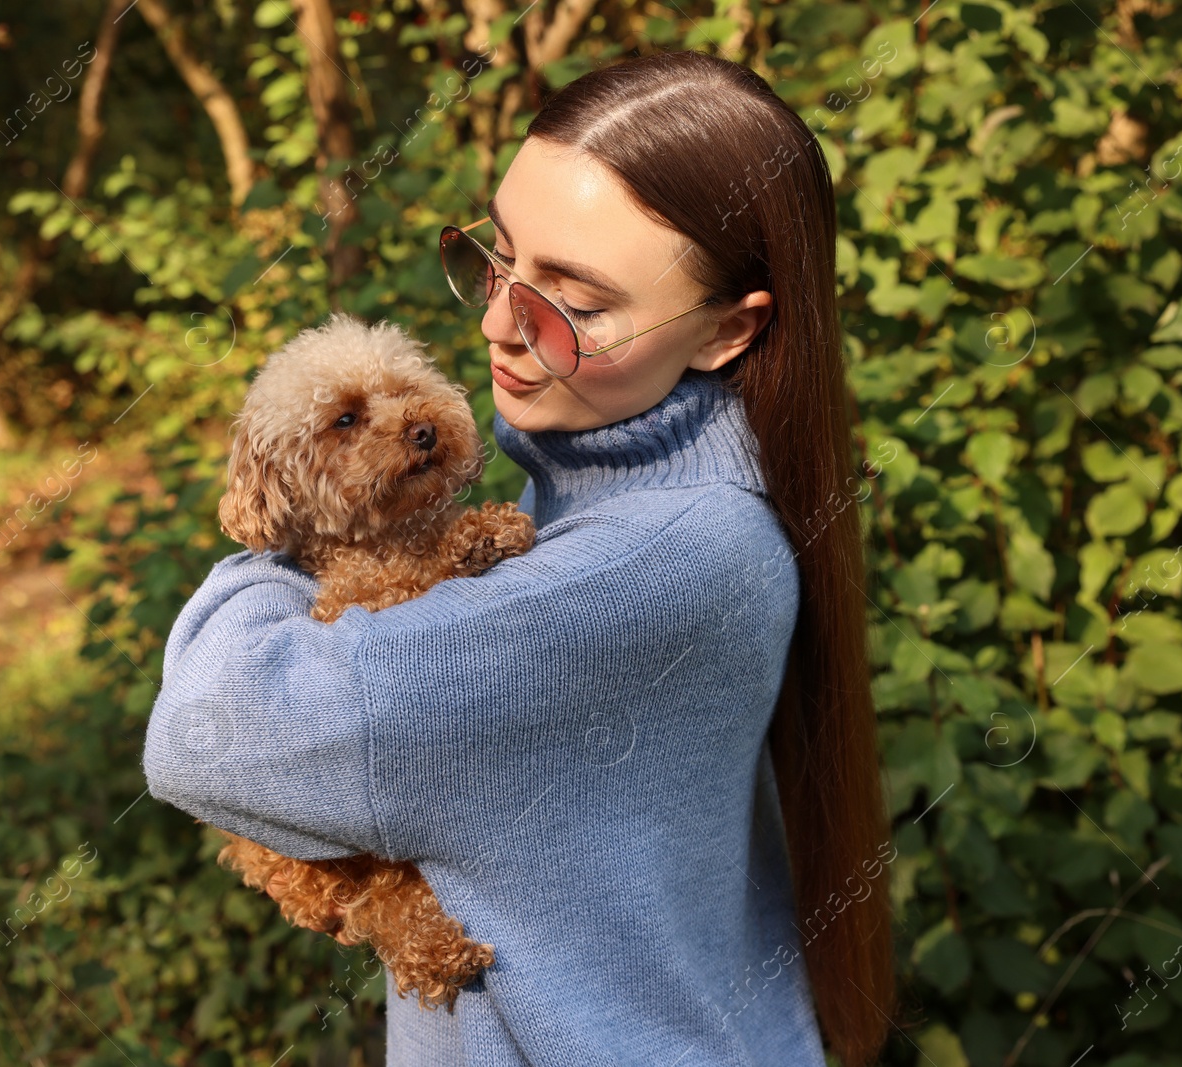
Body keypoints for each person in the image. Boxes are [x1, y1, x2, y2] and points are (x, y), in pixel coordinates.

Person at [143, 48, 898, 1067]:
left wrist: (285, 541)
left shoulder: (647, 570)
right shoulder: (596, 483)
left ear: (728, 329)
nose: (498, 323)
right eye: (497, 259)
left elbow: (205, 729)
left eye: (573, 302)